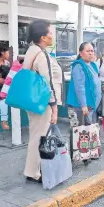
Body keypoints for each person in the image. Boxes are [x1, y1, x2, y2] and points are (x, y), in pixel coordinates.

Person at [22, 20, 63, 183]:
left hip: (32, 99)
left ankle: (32, 169)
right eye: (50, 33)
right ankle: (33, 172)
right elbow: (48, 81)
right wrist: (54, 106)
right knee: (39, 136)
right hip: (42, 101)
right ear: (43, 37)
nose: (52, 35)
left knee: (35, 134)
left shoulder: (31, 50)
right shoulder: (41, 54)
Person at [67, 41, 102, 132]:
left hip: (91, 106)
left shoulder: (93, 65)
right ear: (81, 53)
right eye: (88, 51)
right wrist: (83, 105)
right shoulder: (78, 66)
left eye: (92, 51)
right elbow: (79, 87)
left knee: (90, 133)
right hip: (80, 107)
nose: (91, 53)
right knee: (79, 133)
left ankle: (89, 147)